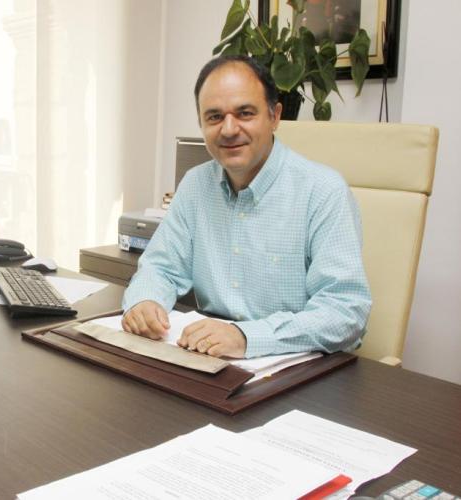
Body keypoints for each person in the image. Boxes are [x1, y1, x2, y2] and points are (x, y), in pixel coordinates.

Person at [121, 55, 371, 359]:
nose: (228, 129)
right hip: (212, 360)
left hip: (299, 367)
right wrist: (145, 302)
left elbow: (345, 311)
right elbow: (161, 267)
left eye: (245, 113)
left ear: (275, 116)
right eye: (214, 117)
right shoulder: (195, 184)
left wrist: (247, 337)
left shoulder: (323, 191)